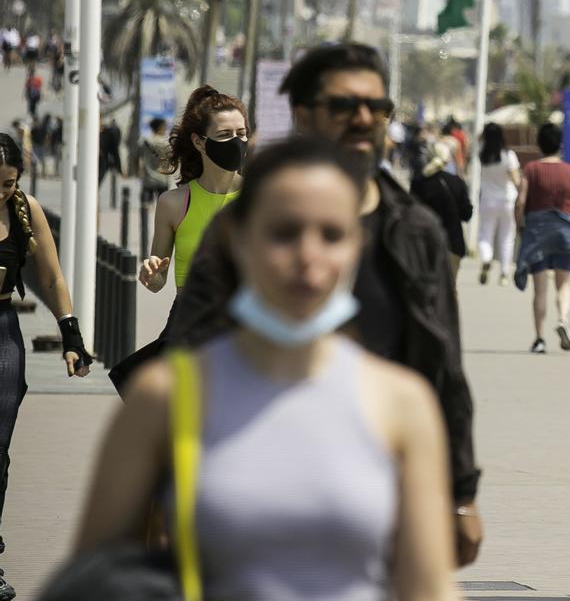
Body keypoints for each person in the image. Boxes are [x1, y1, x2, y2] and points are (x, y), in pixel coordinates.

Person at [75, 137, 459, 601]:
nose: (308, 257)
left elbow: (428, 587)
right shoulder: (164, 398)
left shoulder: (402, 403)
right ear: (239, 240)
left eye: (332, 234)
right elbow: (93, 577)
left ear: (358, 246)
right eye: (283, 232)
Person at [164, 43, 483, 566]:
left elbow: (444, 366)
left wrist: (462, 494)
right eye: (344, 106)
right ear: (304, 115)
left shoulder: (416, 229)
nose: (363, 119)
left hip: (383, 494)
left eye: (376, 108)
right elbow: (188, 352)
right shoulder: (243, 228)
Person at [0, 133, 92, 601]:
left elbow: (52, 276)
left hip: (2, 332)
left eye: (8, 183)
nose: (0, 192)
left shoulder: (24, 210)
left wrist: (71, 334)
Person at [139, 88, 247, 296]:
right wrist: (150, 273)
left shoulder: (261, 197)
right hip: (189, 321)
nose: (236, 142)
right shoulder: (173, 203)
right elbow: (158, 282)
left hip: (243, 324)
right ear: (199, 142)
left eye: (241, 134)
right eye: (225, 134)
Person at [514, 123, 570, 354]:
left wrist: (519, 225)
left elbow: (520, 202)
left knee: (540, 289)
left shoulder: (531, 169)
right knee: (564, 284)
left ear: (539, 144)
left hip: (537, 232)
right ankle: (563, 320)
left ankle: (539, 339)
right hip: (565, 232)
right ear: (559, 145)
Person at [411, 141, 473, 279]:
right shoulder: (457, 182)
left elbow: (411, 213)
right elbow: (467, 214)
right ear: (447, 159)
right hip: (452, 244)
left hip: (425, 245)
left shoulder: (419, 183)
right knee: (449, 292)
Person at [476, 122, 521, 286]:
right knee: (507, 237)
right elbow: (516, 180)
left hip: (488, 201)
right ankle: (504, 273)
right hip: (508, 200)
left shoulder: (481, 153)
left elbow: (478, 139)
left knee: (485, 234)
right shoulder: (508, 155)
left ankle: (487, 258)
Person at [139, 117, 173, 206]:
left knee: (146, 207)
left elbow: (136, 157)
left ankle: (145, 220)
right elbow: (173, 158)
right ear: (161, 127)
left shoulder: (144, 141)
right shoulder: (166, 143)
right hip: (162, 178)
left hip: (148, 179)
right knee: (163, 207)